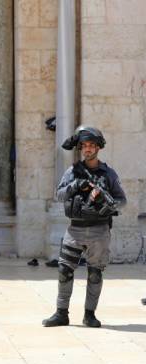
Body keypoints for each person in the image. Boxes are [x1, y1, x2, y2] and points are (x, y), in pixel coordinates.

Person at [43, 126, 126, 328]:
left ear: (98, 147)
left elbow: (122, 200)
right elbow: (59, 194)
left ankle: (90, 315)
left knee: (95, 273)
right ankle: (61, 313)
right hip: (75, 229)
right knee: (64, 270)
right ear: (81, 148)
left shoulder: (109, 174)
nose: (88, 149)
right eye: (85, 146)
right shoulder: (73, 172)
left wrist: (109, 204)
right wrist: (76, 185)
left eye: (91, 145)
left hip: (99, 230)